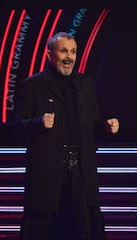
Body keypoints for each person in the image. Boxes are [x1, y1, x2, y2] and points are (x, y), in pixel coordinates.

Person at [15, 32, 119, 240]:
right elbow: (16, 127)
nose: (68, 57)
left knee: (83, 229)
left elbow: (93, 122)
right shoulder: (32, 85)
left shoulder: (85, 85)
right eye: (63, 51)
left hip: (80, 175)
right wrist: (38, 122)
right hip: (48, 174)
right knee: (43, 229)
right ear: (49, 54)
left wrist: (106, 126)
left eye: (73, 52)